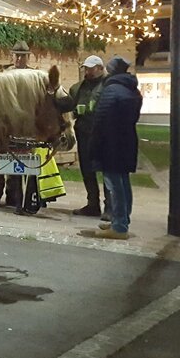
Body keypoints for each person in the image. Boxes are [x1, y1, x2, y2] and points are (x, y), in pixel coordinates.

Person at [90, 55, 143, 240]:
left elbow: (101, 118)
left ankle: (119, 226)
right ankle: (121, 221)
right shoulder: (132, 89)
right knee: (123, 183)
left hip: (111, 143)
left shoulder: (111, 89)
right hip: (127, 140)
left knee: (114, 185)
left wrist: (94, 143)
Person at [60, 54, 112, 218]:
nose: (87, 72)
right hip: (84, 133)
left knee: (107, 171)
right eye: (86, 68)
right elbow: (68, 105)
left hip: (104, 134)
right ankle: (92, 204)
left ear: (100, 68)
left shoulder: (109, 84)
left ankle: (110, 207)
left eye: (90, 68)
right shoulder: (78, 88)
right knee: (87, 170)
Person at [0, 41, 32, 209]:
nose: (19, 59)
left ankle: (14, 196)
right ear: (12, 56)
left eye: (22, 56)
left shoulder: (32, 75)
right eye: (17, 55)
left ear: (27, 57)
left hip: (23, 125)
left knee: (19, 159)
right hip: (3, 122)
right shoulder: (2, 73)